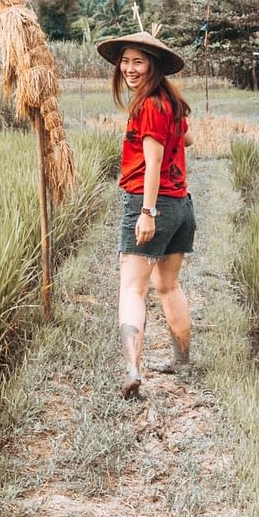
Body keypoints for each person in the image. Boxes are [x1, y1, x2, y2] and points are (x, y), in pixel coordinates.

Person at [95, 31, 196, 399]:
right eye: (126, 61)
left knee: (132, 288)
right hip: (182, 205)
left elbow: (152, 162)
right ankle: (182, 362)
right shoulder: (171, 101)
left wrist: (147, 212)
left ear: (152, 65)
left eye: (138, 61)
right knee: (168, 286)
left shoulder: (150, 105)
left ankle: (132, 371)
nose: (129, 68)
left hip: (153, 202)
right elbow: (185, 141)